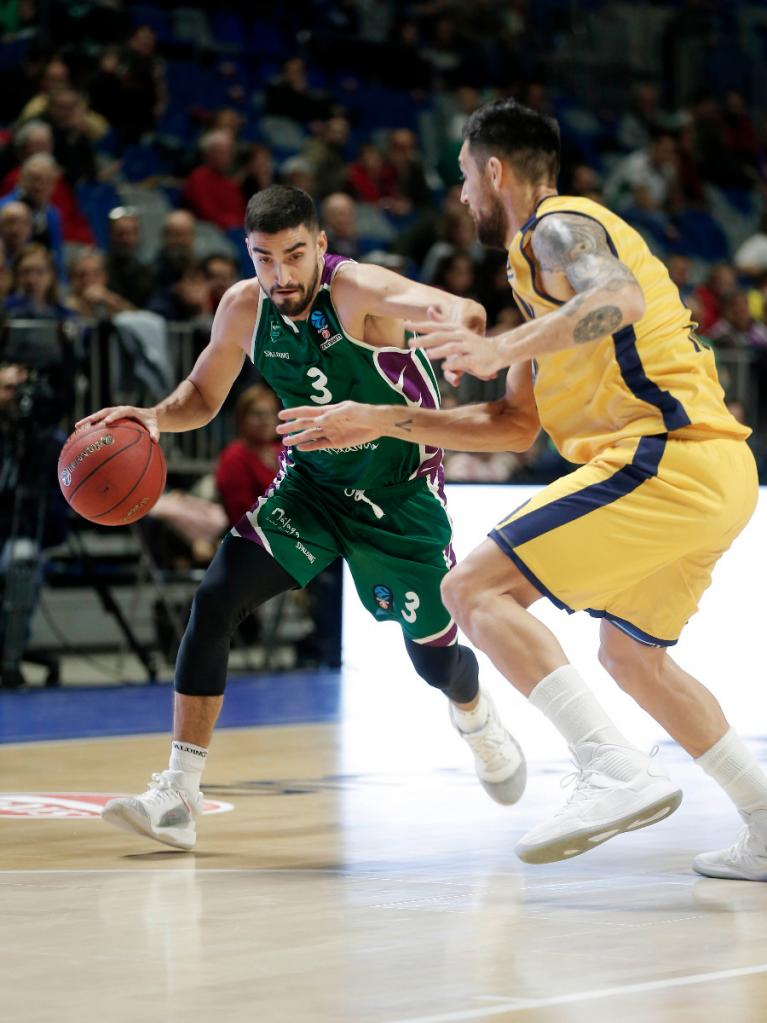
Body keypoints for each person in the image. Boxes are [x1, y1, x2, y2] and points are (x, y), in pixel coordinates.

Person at [277, 99, 767, 882]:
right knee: (631, 658)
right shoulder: (535, 283)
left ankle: (612, 766)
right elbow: (510, 426)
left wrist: (498, 341)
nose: (462, 195)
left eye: (465, 177)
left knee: (470, 587)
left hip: (664, 455)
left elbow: (618, 301)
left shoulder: (558, 226)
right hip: (712, 473)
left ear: (493, 170)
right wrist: (379, 417)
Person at [79, 184, 525, 850]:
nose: (280, 275)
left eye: (294, 255)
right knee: (216, 597)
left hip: (399, 499)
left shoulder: (357, 290)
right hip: (311, 488)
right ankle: (177, 792)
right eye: (264, 258)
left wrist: (460, 334)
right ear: (248, 253)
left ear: (320, 244)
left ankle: (475, 712)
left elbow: (459, 307)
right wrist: (153, 417)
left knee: (433, 663)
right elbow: (202, 394)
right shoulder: (241, 307)